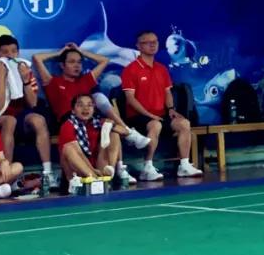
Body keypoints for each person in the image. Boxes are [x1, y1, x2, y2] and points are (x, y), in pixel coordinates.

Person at [33, 43, 151, 185]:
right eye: (71, 62)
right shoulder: (53, 82)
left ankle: (117, 167)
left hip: (92, 122)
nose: (77, 66)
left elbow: (104, 61)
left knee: (112, 130)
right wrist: (59, 53)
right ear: (62, 66)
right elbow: (37, 58)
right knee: (100, 133)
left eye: (79, 62)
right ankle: (128, 137)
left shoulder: (85, 81)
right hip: (70, 123)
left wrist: (80, 51)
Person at [120, 30, 202, 180]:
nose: (152, 45)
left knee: (184, 123)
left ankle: (184, 165)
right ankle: (147, 167)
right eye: (147, 42)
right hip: (138, 117)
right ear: (138, 46)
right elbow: (130, 99)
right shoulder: (130, 70)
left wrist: (171, 109)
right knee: (155, 125)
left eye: (155, 42)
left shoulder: (162, 69)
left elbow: (167, 92)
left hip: (160, 115)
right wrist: (149, 115)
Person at [0, 34, 55, 192]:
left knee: (38, 120)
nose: (10, 56)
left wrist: (25, 80)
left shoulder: (24, 70)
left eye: (14, 51)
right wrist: (1, 78)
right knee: (10, 121)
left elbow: (32, 103)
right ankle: (6, 175)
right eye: (5, 52)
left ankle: (48, 172)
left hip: (20, 115)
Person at [57, 94, 123, 193]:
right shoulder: (68, 125)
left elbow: (125, 131)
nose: (85, 108)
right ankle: (94, 180)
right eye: (80, 105)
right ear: (73, 110)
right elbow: (79, 153)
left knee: (114, 133)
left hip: (99, 167)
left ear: (94, 109)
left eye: (89, 105)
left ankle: (110, 170)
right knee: (68, 148)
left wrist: (111, 125)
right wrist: (92, 170)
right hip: (78, 171)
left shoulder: (97, 122)